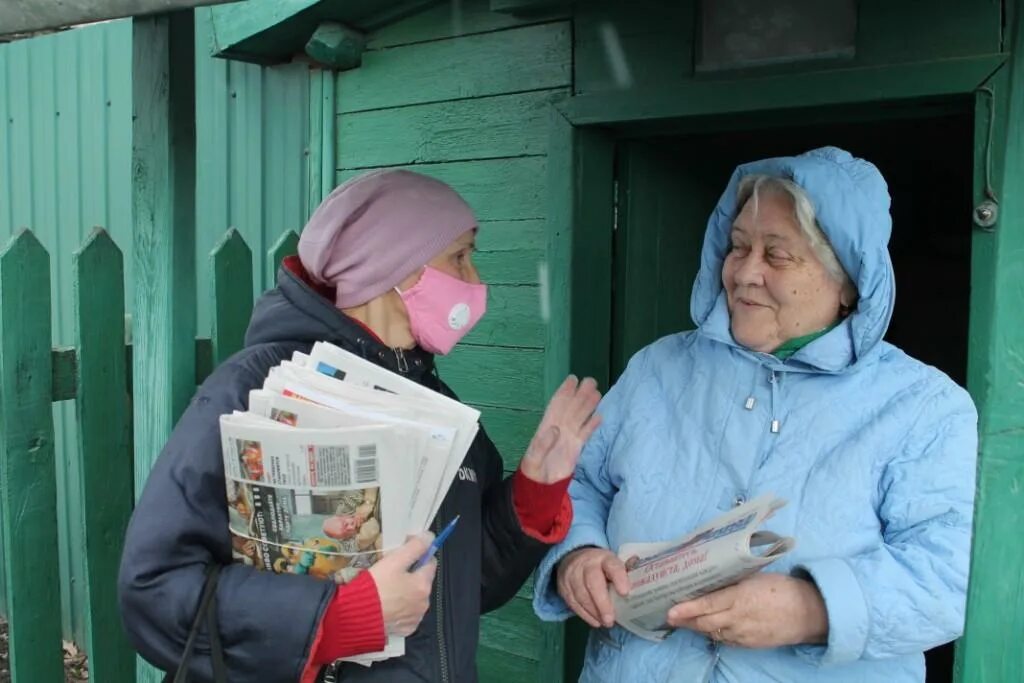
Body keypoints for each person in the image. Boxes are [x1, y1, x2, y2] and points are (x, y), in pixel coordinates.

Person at [118, 169, 602, 683]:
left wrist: (533, 494)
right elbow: (154, 591)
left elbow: (462, 589)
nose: (476, 280)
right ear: (393, 268)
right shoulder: (252, 389)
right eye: (459, 256)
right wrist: (338, 620)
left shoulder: (436, 406)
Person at [533, 147, 978, 682]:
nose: (744, 272)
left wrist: (811, 609)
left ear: (848, 281)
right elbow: (580, 483)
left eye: (778, 255)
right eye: (738, 247)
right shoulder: (658, 369)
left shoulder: (922, 406)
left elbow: (948, 578)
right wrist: (578, 554)